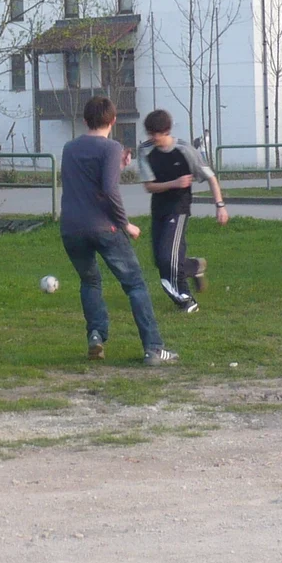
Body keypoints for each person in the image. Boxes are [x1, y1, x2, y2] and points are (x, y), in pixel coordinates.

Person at [58, 95, 177, 364]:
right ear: (113, 120)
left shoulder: (69, 148)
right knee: (135, 284)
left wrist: (118, 167)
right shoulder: (111, 147)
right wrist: (125, 224)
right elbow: (109, 190)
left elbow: (87, 182)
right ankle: (154, 348)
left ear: (85, 120)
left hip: (71, 228)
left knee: (90, 282)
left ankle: (96, 336)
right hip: (103, 227)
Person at [139, 109, 228, 312]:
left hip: (178, 208)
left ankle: (187, 300)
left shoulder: (185, 150)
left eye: (156, 134)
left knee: (168, 258)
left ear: (167, 131)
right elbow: (149, 186)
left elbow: (211, 177)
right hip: (159, 207)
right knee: (160, 260)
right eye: (150, 134)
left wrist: (220, 206)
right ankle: (195, 267)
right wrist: (175, 182)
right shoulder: (145, 149)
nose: (152, 138)